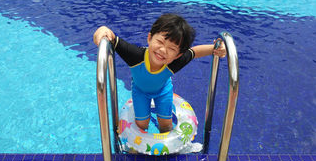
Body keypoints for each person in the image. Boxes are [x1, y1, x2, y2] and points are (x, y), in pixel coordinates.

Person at [93, 13, 226, 133]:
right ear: (150, 38)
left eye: (171, 48)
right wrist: (102, 31)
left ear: (178, 55)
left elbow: (194, 52)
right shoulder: (135, 56)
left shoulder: (175, 63)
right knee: (142, 124)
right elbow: (112, 38)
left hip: (163, 91)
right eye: (160, 42)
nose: (163, 50)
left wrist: (215, 49)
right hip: (140, 91)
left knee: (166, 125)